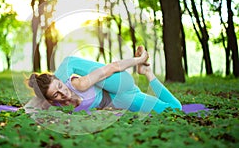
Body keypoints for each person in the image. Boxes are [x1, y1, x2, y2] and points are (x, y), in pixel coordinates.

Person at [26, 46, 182, 114]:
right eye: (56, 95)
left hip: (119, 82)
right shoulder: (54, 103)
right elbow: (36, 105)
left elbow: (112, 67)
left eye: (60, 86)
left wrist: (139, 59)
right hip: (123, 97)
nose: (63, 93)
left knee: (70, 64)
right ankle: (147, 72)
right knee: (175, 109)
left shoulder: (77, 84)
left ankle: (142, 64)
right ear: (51, 100)